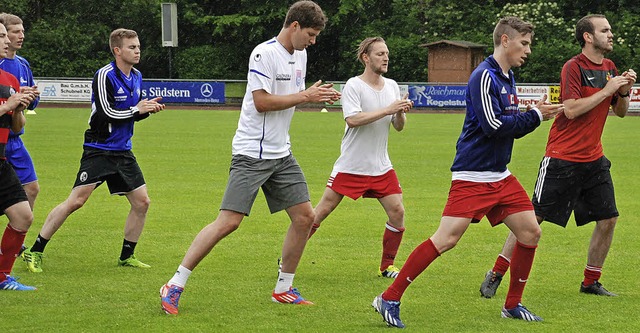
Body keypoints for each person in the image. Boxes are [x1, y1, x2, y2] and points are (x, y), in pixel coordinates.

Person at [372, 16, 564, 328]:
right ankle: (389, 297)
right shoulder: (484, 75)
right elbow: (494, 126)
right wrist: (534, 116)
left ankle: (512, 305)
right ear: (504, 40)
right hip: (473, 175)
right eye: (524, 43)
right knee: (446, 239)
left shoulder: (507, 76)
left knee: (530, 231)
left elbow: (508, 120)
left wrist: (532, 113)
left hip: (499, 174)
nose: (528, 50)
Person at [160, 0, 340, 315]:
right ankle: (174, 283)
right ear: (294, 25)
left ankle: (283, 288)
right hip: (252, 154)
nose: (313, 41)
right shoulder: (263, 53)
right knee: (228, 222)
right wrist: (305, 96)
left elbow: (291, 100)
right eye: (310, 34)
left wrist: (315, 96)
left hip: (281, 153)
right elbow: (262, 102)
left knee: (305, 218)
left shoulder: (301, 55)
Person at [479, 14, 636, 299]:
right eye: (605, 30)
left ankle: (590, 281)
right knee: (532, 219)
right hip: (562, 158)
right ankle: (496, 273)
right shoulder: (572, 67)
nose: (611, 34)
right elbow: (572, 109)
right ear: (588, 37)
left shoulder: (611, 68)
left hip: (594, 159)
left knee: (609, 219)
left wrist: (623, 92)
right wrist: (608, 90)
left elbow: (621, 111)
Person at [20, 28, 165, 273]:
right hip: (98, 150)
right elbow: (106, 113)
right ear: (117, 50)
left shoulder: (137, 76)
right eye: (132, 47)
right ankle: (35, 251)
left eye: (138, 46)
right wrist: (136, 111)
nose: (138, 50)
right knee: (76, 201)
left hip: (123, 151)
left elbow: (129, 116)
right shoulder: (104, 75)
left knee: (142, 203)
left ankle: (126, 256)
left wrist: (146, 111)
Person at [308, 37, 412, 279]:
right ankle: (289, 256)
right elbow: (352, 120)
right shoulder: (353, 86)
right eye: (380, 54)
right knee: (320, 212)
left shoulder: (392, 85)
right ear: (366, 58)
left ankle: (387, 266)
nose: (386, 58)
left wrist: (400, 113)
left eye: (387, 53)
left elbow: (398, 127)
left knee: (397, 211)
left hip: (381, 166)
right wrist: (388, 109)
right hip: (351, 165)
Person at [0, 21, 38, 291]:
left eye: (5, 35)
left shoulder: (11, 80)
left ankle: (2, 277)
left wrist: (19, 109)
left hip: (1, 158)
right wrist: (6, 107)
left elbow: (16, 126)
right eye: (1, 36)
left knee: (23, 215)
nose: (6, 40)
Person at [0, 13, 40, 211]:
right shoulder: (0, 64)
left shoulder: (23, 64)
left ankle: (18, 240)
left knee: (31, 188)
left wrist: (30, 98)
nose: (21, 35)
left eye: (22, 31)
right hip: (2, 137)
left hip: (15, 138)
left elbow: (33, 102)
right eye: (15, 32)